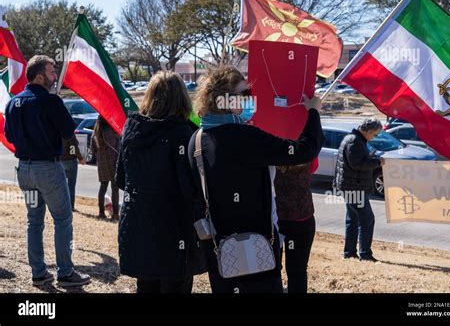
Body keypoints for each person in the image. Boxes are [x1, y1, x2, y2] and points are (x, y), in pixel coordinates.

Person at [188, 66, 324, 293]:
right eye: (246, 95)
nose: (251, 101)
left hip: (218, 249)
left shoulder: (197, 139)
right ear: (228, 101)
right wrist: (313, 112)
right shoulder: (245, 137)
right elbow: (304, 151)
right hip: (256, 248)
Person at [116, 72, 207, 293]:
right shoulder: (183, 134)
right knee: (176, 285)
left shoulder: (131, 130)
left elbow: (121, 179)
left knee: (146, 286)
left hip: (137, 226)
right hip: (174, 230)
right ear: (182, 98)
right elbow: (190, 189)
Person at [4, 55, 91, 287]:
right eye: (52, 73)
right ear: (40, 75)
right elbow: (67, 132)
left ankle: (39, 273)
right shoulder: (50, 101)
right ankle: (65, 272)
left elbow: (10, 136)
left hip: (24, 170)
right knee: (62, 219)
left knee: (34, 221)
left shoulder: (12, 103)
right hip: (48, 169)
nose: (55, 77)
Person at [333, 118, 385, 262]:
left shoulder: (354, 139)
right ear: (367, 131)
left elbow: (356, 162)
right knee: (367, 219)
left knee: (353, 219)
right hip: (354, 188)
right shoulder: (355, 141)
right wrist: (377, 162)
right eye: (374, 135)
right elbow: (357, 164)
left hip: (350, 186)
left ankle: (349, 252)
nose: (373, 137)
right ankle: (365, 254)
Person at [274, 163, 315, 293]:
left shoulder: (269, 144)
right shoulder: (307, 144)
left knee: (271, 269)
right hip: (302, 216)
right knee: (298, 270)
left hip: (275, 217)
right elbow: (313, 168)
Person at [91, 116, 120, 219]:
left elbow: (93, 150)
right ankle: (115, 214)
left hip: (102, 164)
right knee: (115, 189)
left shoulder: (95, 134)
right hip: (113, 162)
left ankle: (101, 213)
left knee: (103, 188)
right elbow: (119, 148)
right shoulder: (113, 132)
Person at [60, 136, 86, 211]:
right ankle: (71, 206)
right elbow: (74, 148)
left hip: (61, 161)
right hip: (71, 161)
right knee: (71, 185)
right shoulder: (70, 135)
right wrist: (80, 158)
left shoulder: (57, 132)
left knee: (62, 185)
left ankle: (63, 205)